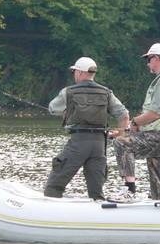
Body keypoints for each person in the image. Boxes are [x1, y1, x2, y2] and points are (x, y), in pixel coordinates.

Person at [44, 57, 129, 200]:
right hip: (99, 146)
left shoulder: (68, 92)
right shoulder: (106, 92)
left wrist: (67, 112)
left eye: (75, 71)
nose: (74, 74)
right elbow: (124, 115)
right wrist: (120, 136)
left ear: (80, 72)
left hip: (78, 143)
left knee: (53, 186)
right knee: (96, 193)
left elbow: (52, 108)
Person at [113, 43, 160, 200]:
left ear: (156, 58)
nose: (147, 64)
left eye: (148, 59)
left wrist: (133, 123)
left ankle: (129, 190)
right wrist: (132, 129)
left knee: (121, 143)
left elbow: (154, 113)